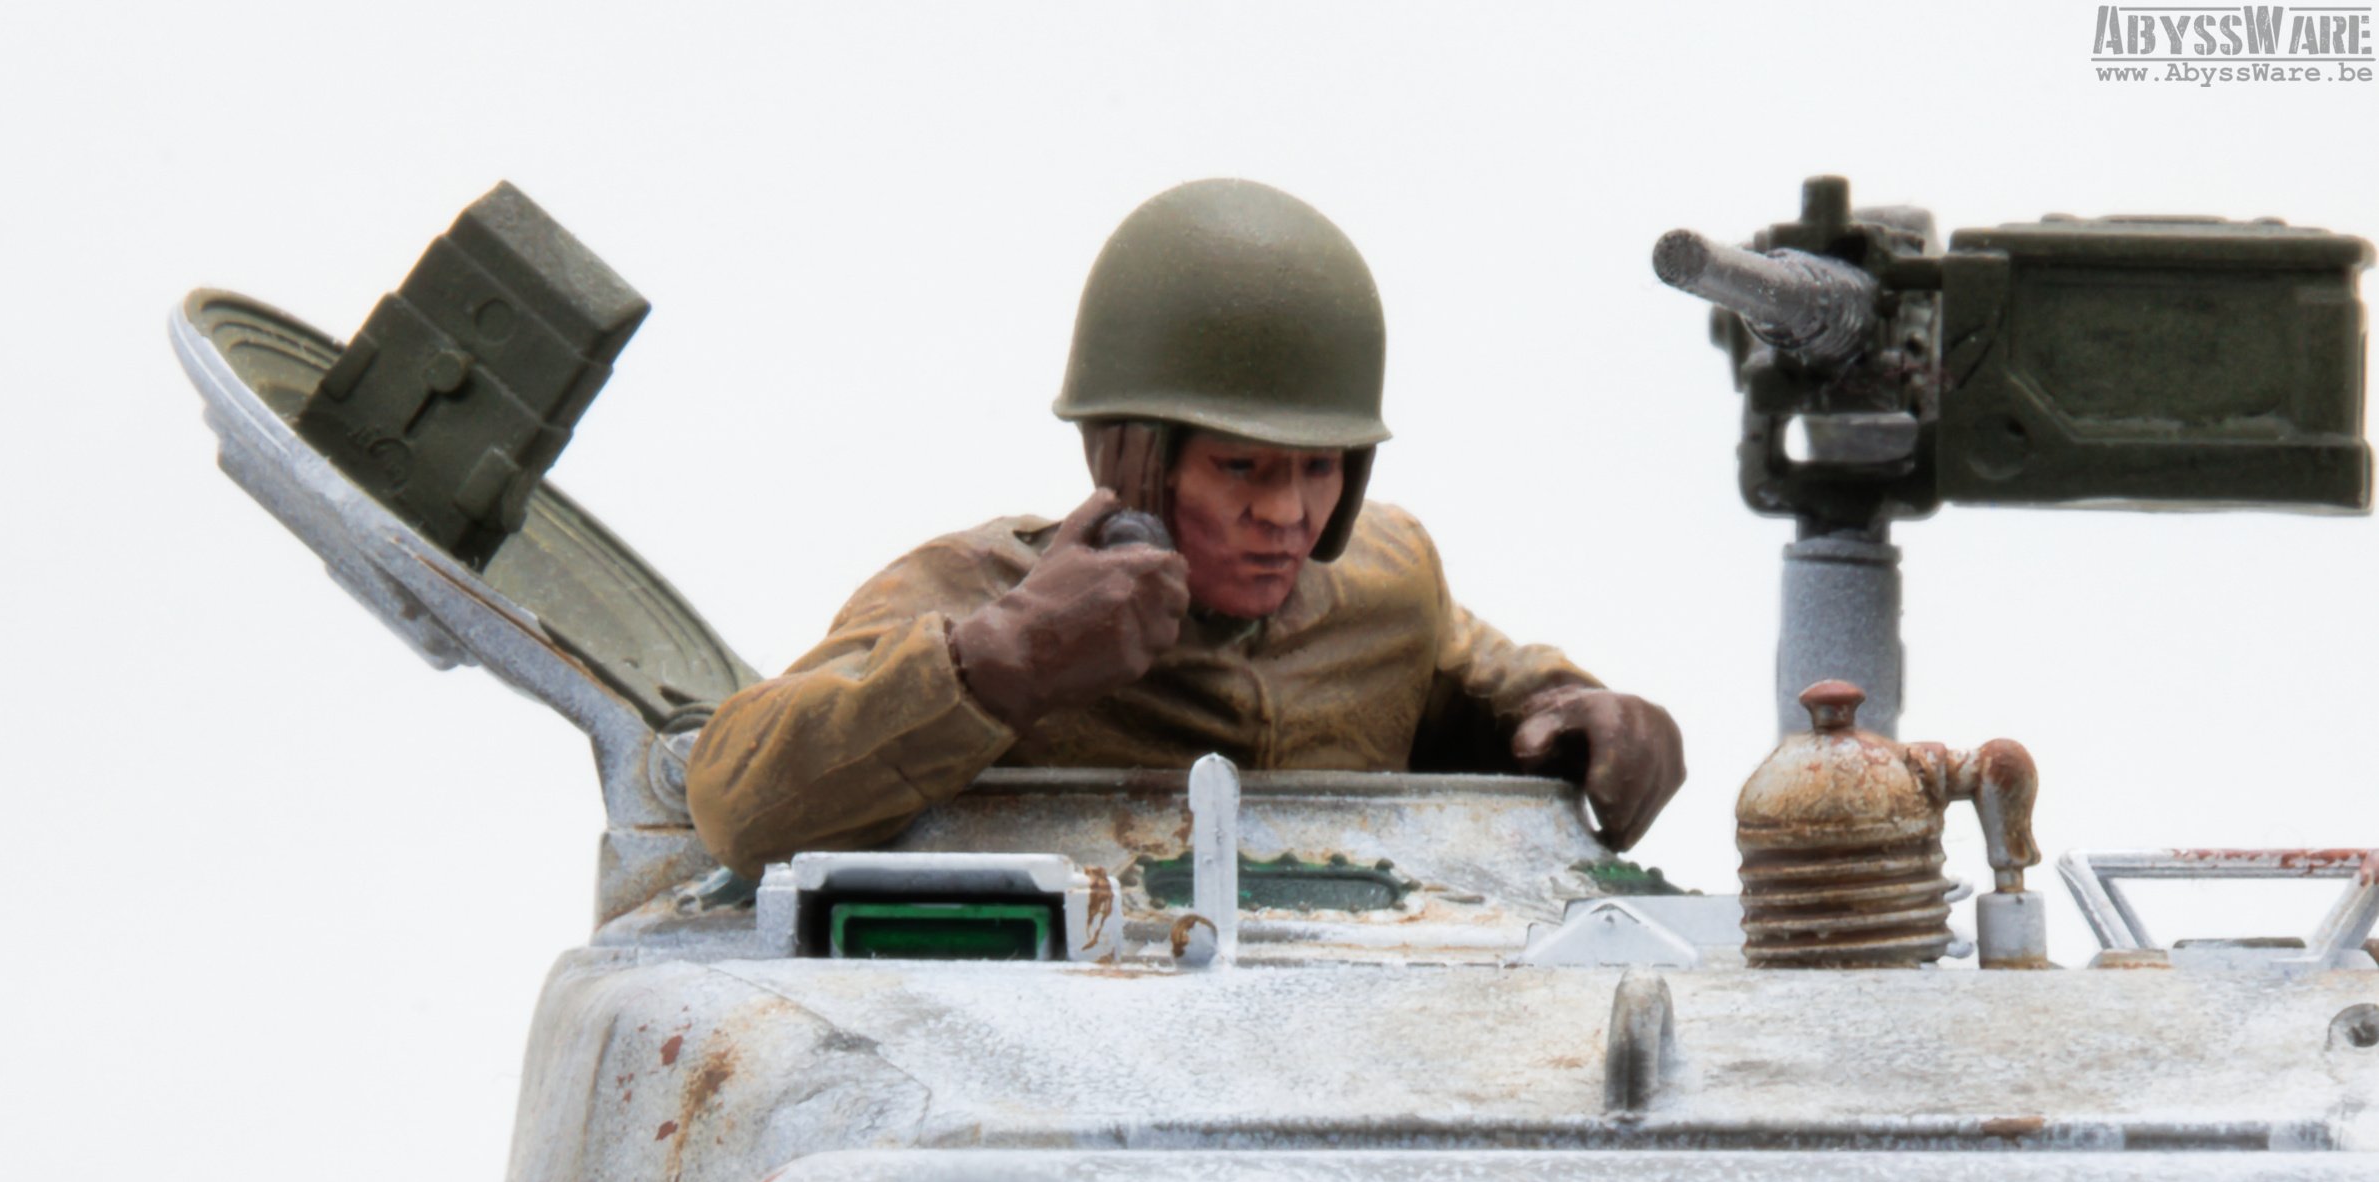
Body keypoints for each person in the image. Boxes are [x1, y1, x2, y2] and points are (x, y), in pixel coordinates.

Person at [687, 179, 1684, 876]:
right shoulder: (975, 588)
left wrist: (1581, 711)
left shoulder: (1390, 577)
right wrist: (1003, 661)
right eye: (1240, 466)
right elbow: (737, 803)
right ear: (1135, 457)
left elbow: (1486, 680)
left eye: (1319, 467)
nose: (1285, 514)